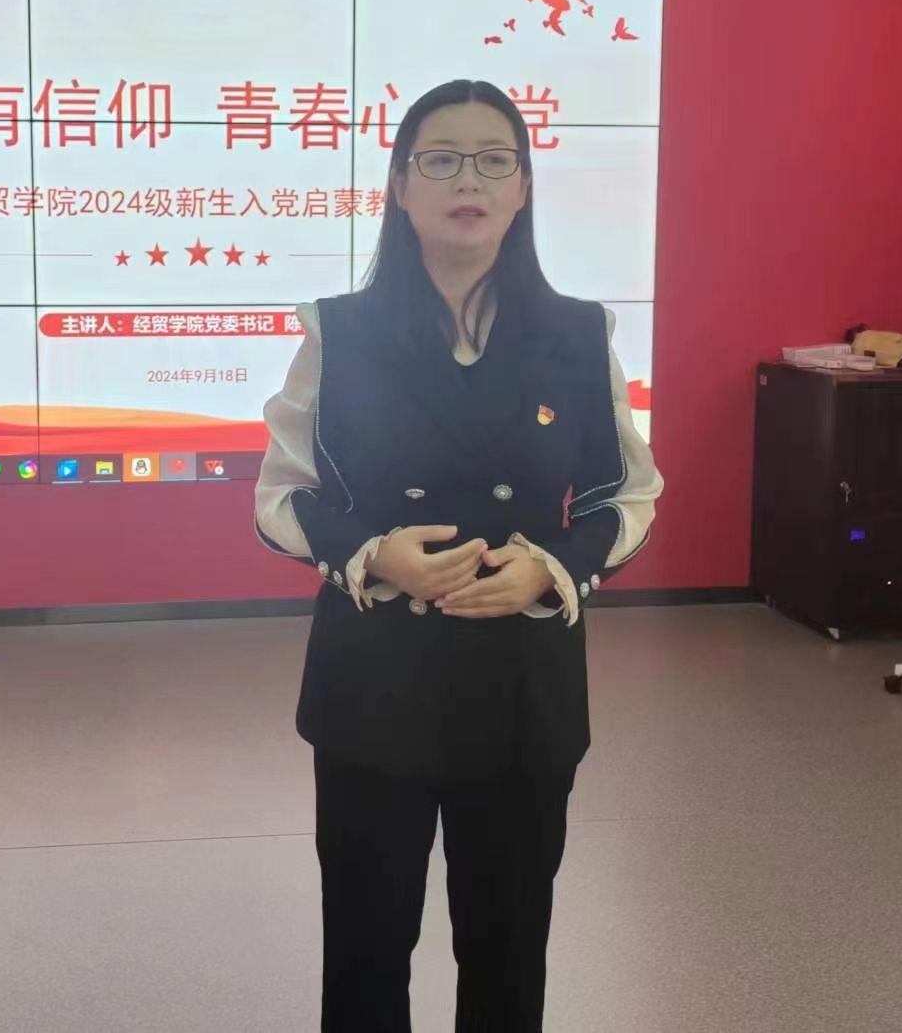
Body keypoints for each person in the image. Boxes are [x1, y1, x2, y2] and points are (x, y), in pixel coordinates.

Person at [255, 79, 661, 1031]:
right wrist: (373, 555)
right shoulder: (338, 331)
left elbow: (627, 492)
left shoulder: (578, 333)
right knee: (366, 950)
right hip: (374, 683)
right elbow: (281, 494)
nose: (467, 180)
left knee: (508, 948)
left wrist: (554, 569)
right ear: (400, 186)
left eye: (493, 159)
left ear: (523, 187)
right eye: (440, 159)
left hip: (521, 685)